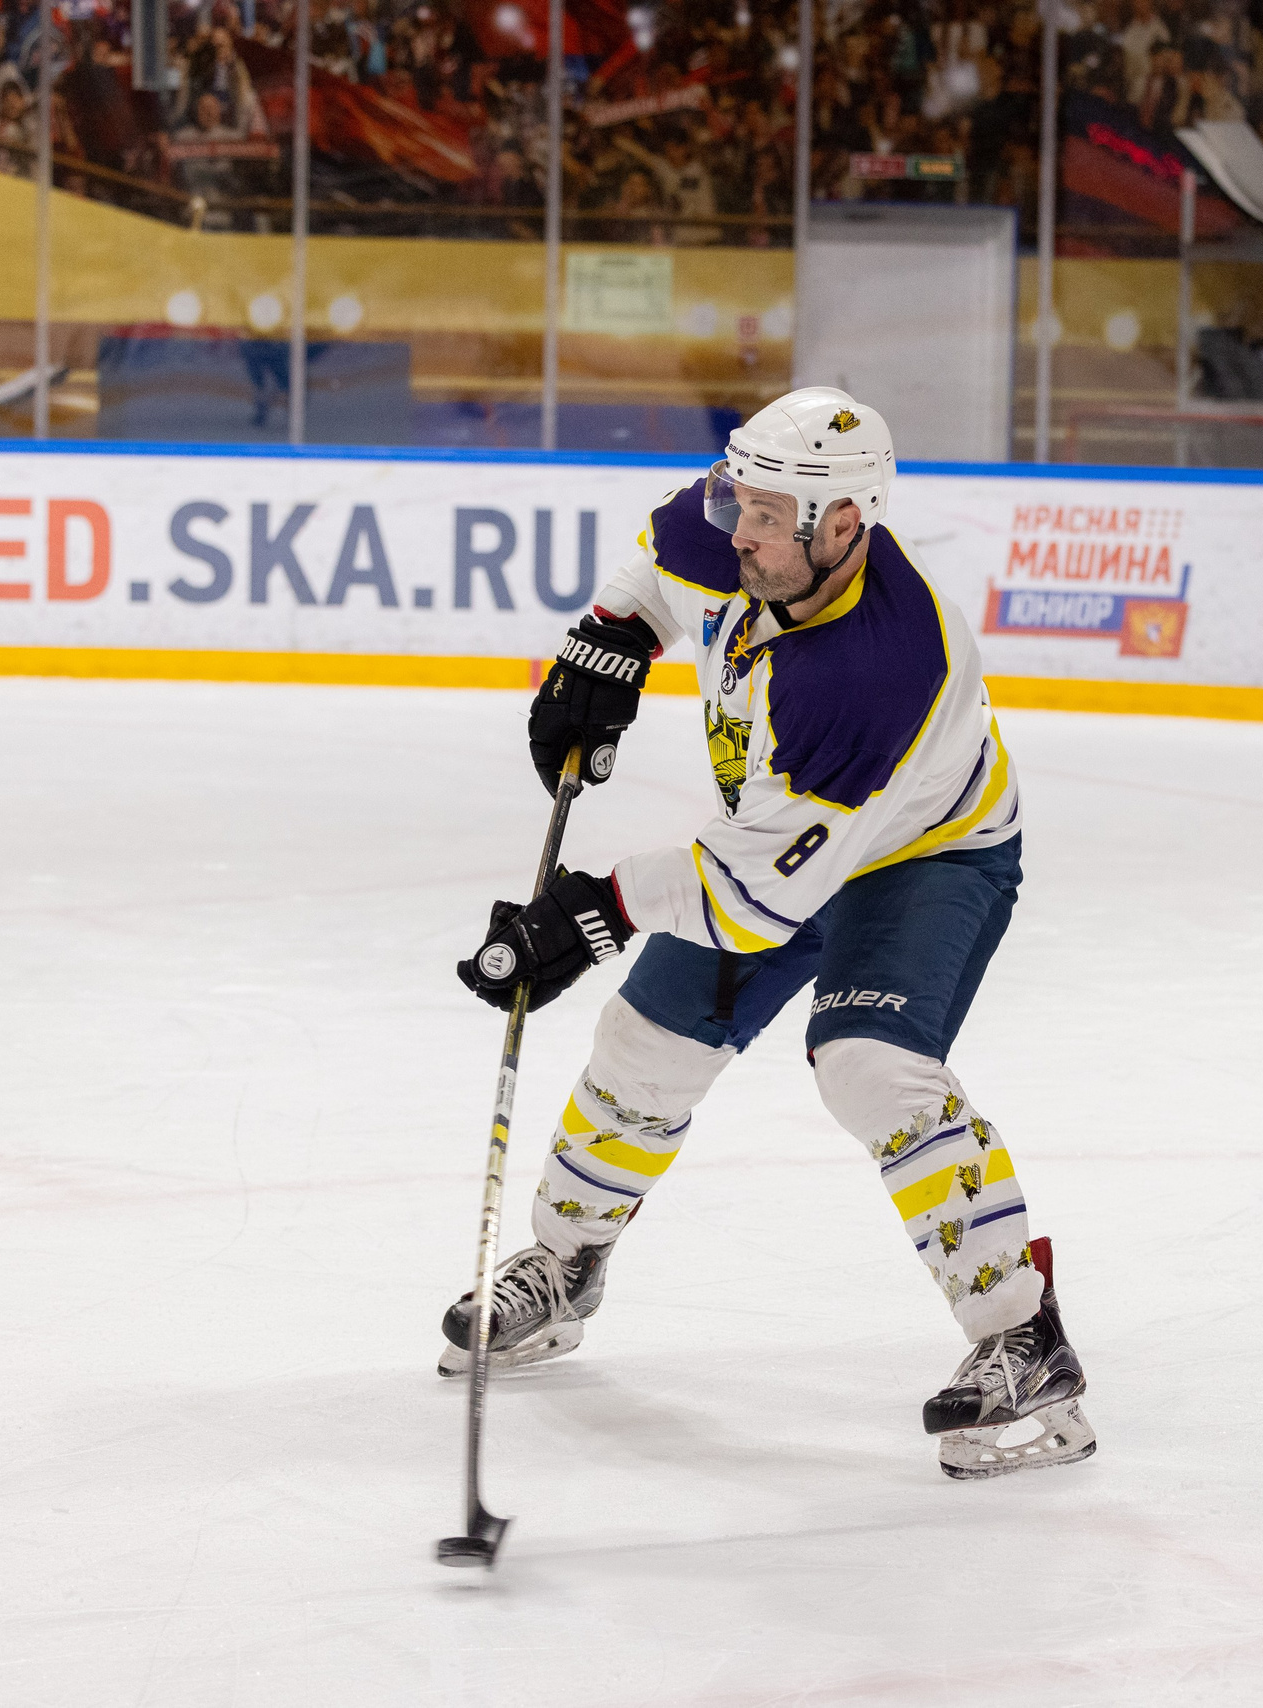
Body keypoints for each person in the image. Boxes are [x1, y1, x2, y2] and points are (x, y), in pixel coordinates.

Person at [440, 386, 1096, 1482]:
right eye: (736, 496)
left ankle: (1026, 1338)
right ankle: (563, 1270)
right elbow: (653, 568)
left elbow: (753, 905)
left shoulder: (879, 667)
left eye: (763, 512)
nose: (734, 526)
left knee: (869, 1066)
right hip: (780, 841)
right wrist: (603, 647)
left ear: (843, 523)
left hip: (924, 856)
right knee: (645, 1044)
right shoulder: (742, 522)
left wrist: (593, 910)